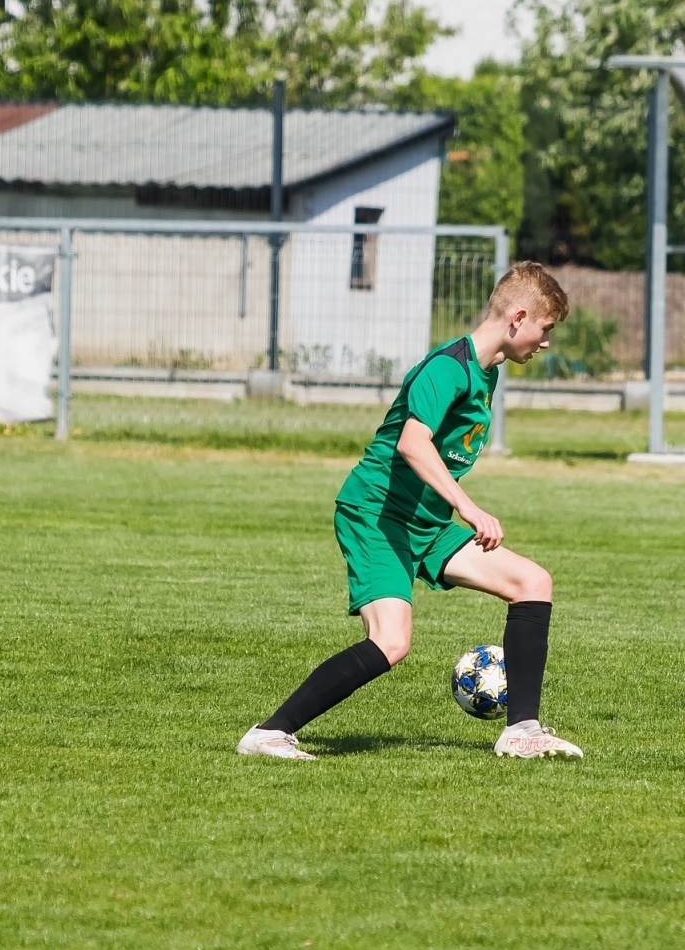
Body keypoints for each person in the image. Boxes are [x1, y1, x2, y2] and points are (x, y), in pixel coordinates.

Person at [237, 262, 583, 762]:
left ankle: (522, 731)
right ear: (518, 318)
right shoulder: (447, 368)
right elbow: (412, 444)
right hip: (377, 513)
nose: (546, 341)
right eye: (545, 328)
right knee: (391, 642)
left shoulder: (485, 373)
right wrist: (468, 507)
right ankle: (270, 733)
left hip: (424, 522)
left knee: (532, 582)